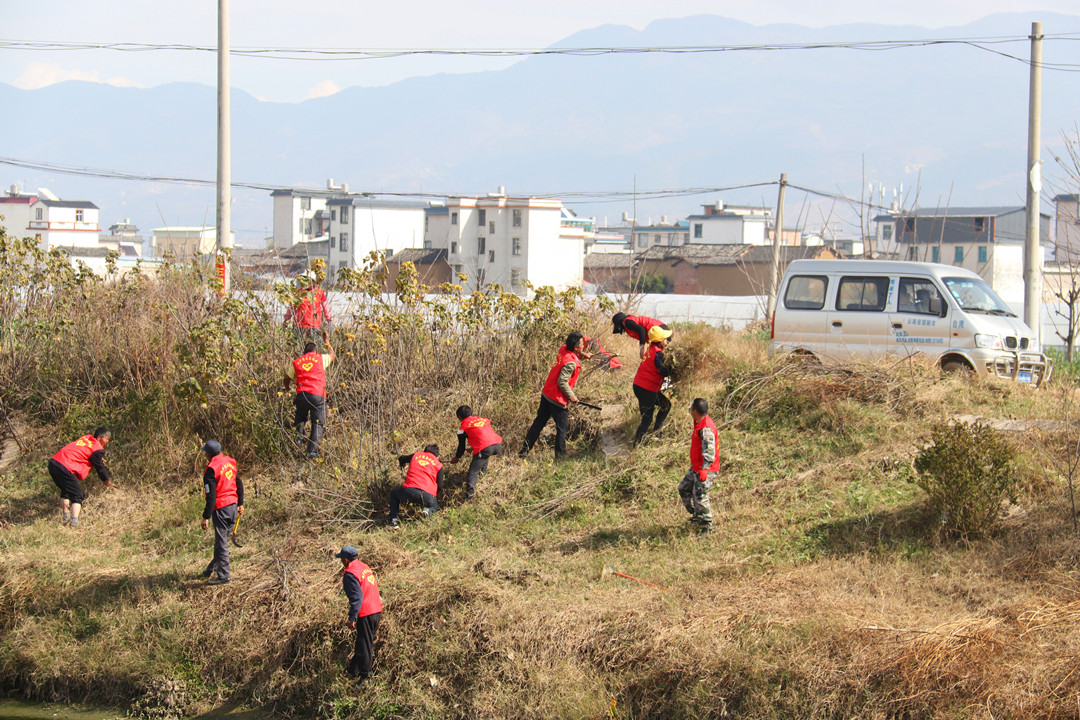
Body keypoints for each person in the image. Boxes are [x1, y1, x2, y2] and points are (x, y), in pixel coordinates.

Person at [519, 331, 592, 459]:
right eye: (581, 344)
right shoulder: (571, 364)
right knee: (561, 429)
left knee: (538, 423)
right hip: (557, 400)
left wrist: (583, 355)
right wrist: (572, 396)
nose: (584, 345)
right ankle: (560, 458)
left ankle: (524, 450)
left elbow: (571, 355)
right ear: (575, 347)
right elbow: (562, 382)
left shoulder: (563, 349)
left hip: (547, 394)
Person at [48, 427, 116, 527]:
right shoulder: (97, 448)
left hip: (54, 463)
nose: (107, 442)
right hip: (66, 466)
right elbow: (99, 467)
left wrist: (99, 457)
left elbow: (85, 452)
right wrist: (106, 480)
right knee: (77, 495)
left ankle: (66, 516)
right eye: (107, 439)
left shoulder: (87, 438)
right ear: (99, 438)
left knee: (66, 490)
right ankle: (74, 522)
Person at [284, 330, 336, 458]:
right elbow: (332, 355)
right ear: (315, 351)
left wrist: (287, 387)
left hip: (302, 395)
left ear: (304, 352)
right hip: (317, 395)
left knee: (300, 418)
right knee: (317, 423)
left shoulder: (297, 362)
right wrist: (327, 341)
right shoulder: (320, 358)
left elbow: (287, 378)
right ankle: (312, 452)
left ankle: (297, 442)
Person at [200, 440, 244, 585]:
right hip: (232, 506)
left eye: (205, 452)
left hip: (221, 508)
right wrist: (240, 503)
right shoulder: (230, 461)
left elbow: (211, 496)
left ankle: (224, 576)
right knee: (222, 540)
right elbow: (239, 483)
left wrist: (206, 516)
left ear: (208, 454)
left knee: (222, 543)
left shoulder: (211, 469)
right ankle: (210, 569)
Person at [336, 545, 383, 681]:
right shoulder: (364, 567)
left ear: (345, 560)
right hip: (376, 609)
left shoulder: (350, 573)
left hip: (366, 612)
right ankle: (353, 670)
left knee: (365, 645)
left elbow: (357, 598)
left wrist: (352, 617)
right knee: (362, 642)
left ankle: (365, 676)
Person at [679, 398, 719, 534]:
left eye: (691, 408)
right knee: (683, 488)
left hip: (705, 469)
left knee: (700, 497)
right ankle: (697, 515)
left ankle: (708, 526)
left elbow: (710, 451)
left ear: (695, 411)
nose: (689, 410)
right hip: (696, 467)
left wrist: (705, 469)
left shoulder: (706, 428)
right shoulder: (699, 422)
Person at [632, 326, 674, 446]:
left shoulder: (651, 348)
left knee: (665, 405)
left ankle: (657, 432)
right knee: (647, 419)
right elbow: (663, 371)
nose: (667, 342)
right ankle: (637, 444)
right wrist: (672, 369)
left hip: (640, 386)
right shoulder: (658, 354)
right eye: (665, 339)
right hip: (647, 390)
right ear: (660, 341)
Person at [449, 406, 503, 500]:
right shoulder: (483, 420)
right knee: (484, 455)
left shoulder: (463, 428)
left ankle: (469, 496)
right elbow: (482, 434)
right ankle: (483, 476)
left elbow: (461, 447)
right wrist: (474, 447)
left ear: (460, 417)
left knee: (472, 472)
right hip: (497, 445)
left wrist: (457, 458)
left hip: (486, 448)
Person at [388, 444, 444, 527]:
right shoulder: (438, 465)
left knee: (394, 493)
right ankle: (427, 511)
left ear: (424, 450)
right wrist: (433, 496)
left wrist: (402, 464)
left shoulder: (416, 456)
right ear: (437, 455)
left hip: (409, 490)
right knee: (434, 507)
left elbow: (402, 458)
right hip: (427, 494)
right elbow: (440, 486)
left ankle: (394, 520)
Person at [284, 270, 332, 344]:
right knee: (297, 345)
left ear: (313, 281)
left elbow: (325, 306)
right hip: (298, 325)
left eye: (307, 280)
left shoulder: (319, 292)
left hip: (314, 325)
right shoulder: (298, 293)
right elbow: (292, 307)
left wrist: (329, 320)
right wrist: (287, 319)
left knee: (315, 347)